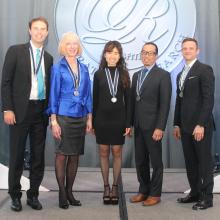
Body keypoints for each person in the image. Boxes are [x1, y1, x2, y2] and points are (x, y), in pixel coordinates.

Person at [1, 17, 53, 211]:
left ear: (47, 33)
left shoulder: (48, 58)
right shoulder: (15, 51)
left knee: (38, 156)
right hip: (19, 111)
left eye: (43, 29)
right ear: (29, 30)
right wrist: (8, 108)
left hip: (41, 112)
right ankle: (15, 195)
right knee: (16, 155)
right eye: (36, 28)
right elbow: (5, 82)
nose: (39, 32)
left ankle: (33, 195)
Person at [47, 32, 92, 209]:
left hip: (80, 117)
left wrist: (89, 117)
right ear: (63, 47)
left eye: (75, 44)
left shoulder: (85, 68)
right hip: (63, 117)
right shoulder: (58, 68)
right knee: (61, 155)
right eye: (68, 44)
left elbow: (88, 94)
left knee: (74, 156)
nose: (72, 47)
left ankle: (70, 191)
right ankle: (62, 193)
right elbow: (53, 94)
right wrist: (54, 120)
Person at [173, 38, 215, 210]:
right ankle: (195, 193)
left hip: (200, 127)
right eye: (185, 48)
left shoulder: (204, 70)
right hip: (185, 127)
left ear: (197, 51)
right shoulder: (180, 74)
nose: (187, 51)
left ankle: (207, 198)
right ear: (182, 51)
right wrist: (176, 124)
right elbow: (179, 101)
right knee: (190, 163)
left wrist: (201, 124)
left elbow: (208, 100)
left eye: (191, 48)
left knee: (204, 163)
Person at [129, 42, 171, 206]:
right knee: (140, 161)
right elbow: (134, 101)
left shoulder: (163, 75)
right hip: (139, 126)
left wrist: (160, 127)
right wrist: (131, 124)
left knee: (156, 162)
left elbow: (165, 104)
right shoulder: (136, 75)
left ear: (156, 56)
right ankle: (143, 190)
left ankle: (155, 193)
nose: (147, 55)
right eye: (144, 52)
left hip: (154, 127)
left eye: (150, 53)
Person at [92, 41, 131, 205]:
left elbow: (128, 101)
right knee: (102, 152)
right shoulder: (98, 74)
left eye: (116, 53)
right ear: (105, 55)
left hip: (119, 120)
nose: (113, 56)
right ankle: (106, 186)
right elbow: (95, 100)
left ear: (119, 56)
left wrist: (128, 123)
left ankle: (115, 186)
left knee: (116, 152)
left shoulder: (124, 74)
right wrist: (93, 122)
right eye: (110, 52)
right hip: (101, 119)